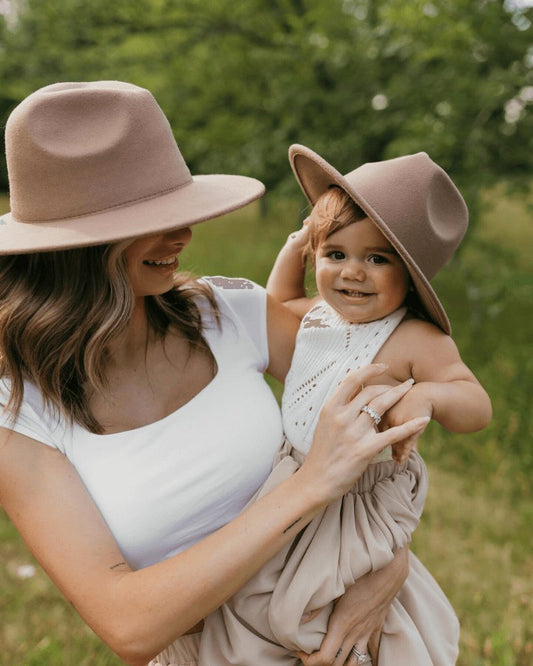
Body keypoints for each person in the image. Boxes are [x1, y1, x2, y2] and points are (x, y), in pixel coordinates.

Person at [0, 82, 430, 666]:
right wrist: (310, 487)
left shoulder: (229, 313)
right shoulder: (18, 410)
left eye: (180, 210)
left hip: (339, 630)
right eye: (151, 220)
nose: (183, 236)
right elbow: (128, 625)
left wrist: (387, 558)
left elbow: (384, 372)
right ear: (75, 246)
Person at [198, 146, 492, 666]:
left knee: (319, 606)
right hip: (295, 477)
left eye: (377, 258)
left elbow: (475, 403)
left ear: (413, 272)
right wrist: (294, 247)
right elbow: (278, 303)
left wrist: (428, 395)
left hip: (356, 498)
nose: (352, 272)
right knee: (255, 594)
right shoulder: (317, 315)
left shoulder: (413, 338)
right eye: (335, 254)